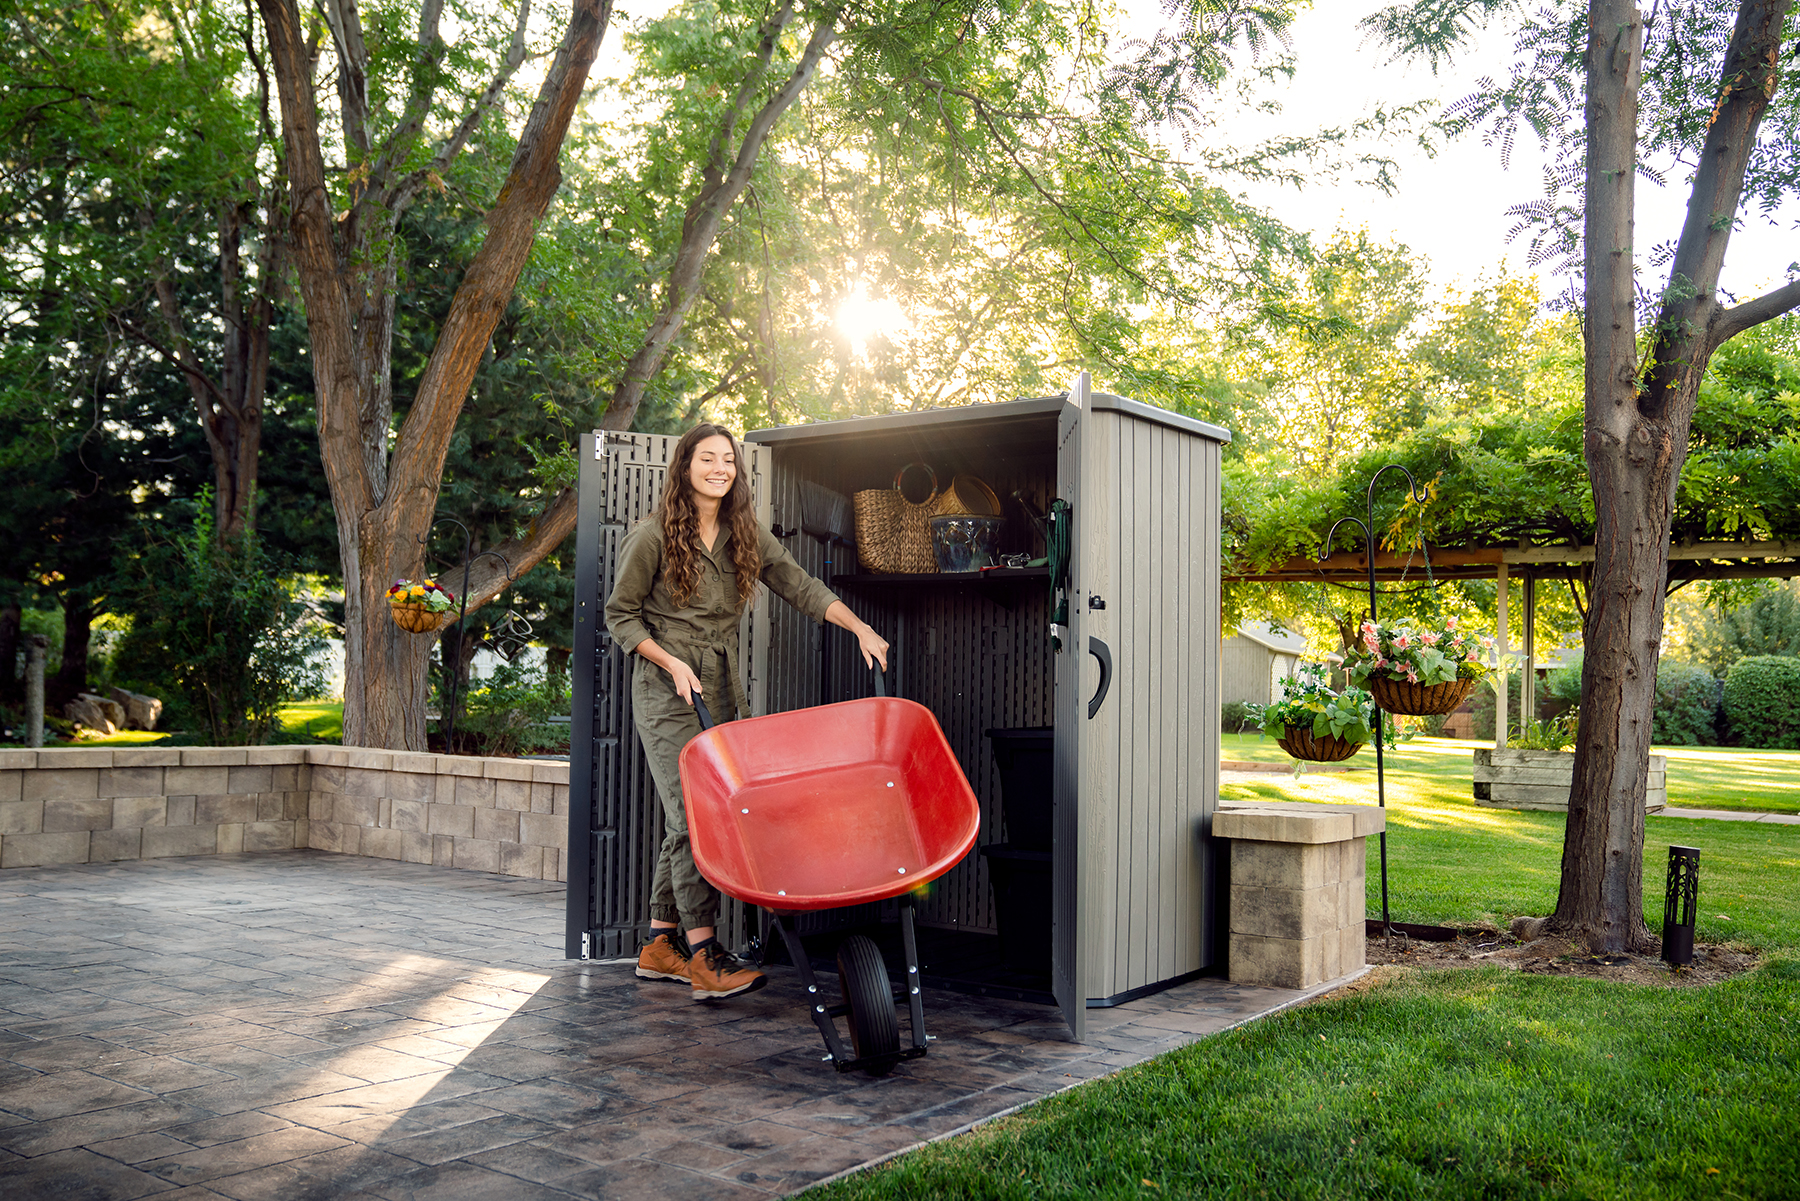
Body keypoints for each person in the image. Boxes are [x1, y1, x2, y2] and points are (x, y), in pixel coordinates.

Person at [604, 422, 890, 999]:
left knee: (693, 816)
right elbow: (620, 617)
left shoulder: (745, 533)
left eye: (728, 461)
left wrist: (858, 626)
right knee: (693, 819)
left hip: (724, 689)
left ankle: (661, 945)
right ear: (685, 466)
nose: (719, 468)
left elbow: (800, 584)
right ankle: (706, 956)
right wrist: (670, 662)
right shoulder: (652, 536)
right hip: (667, 692)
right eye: (707, 458)